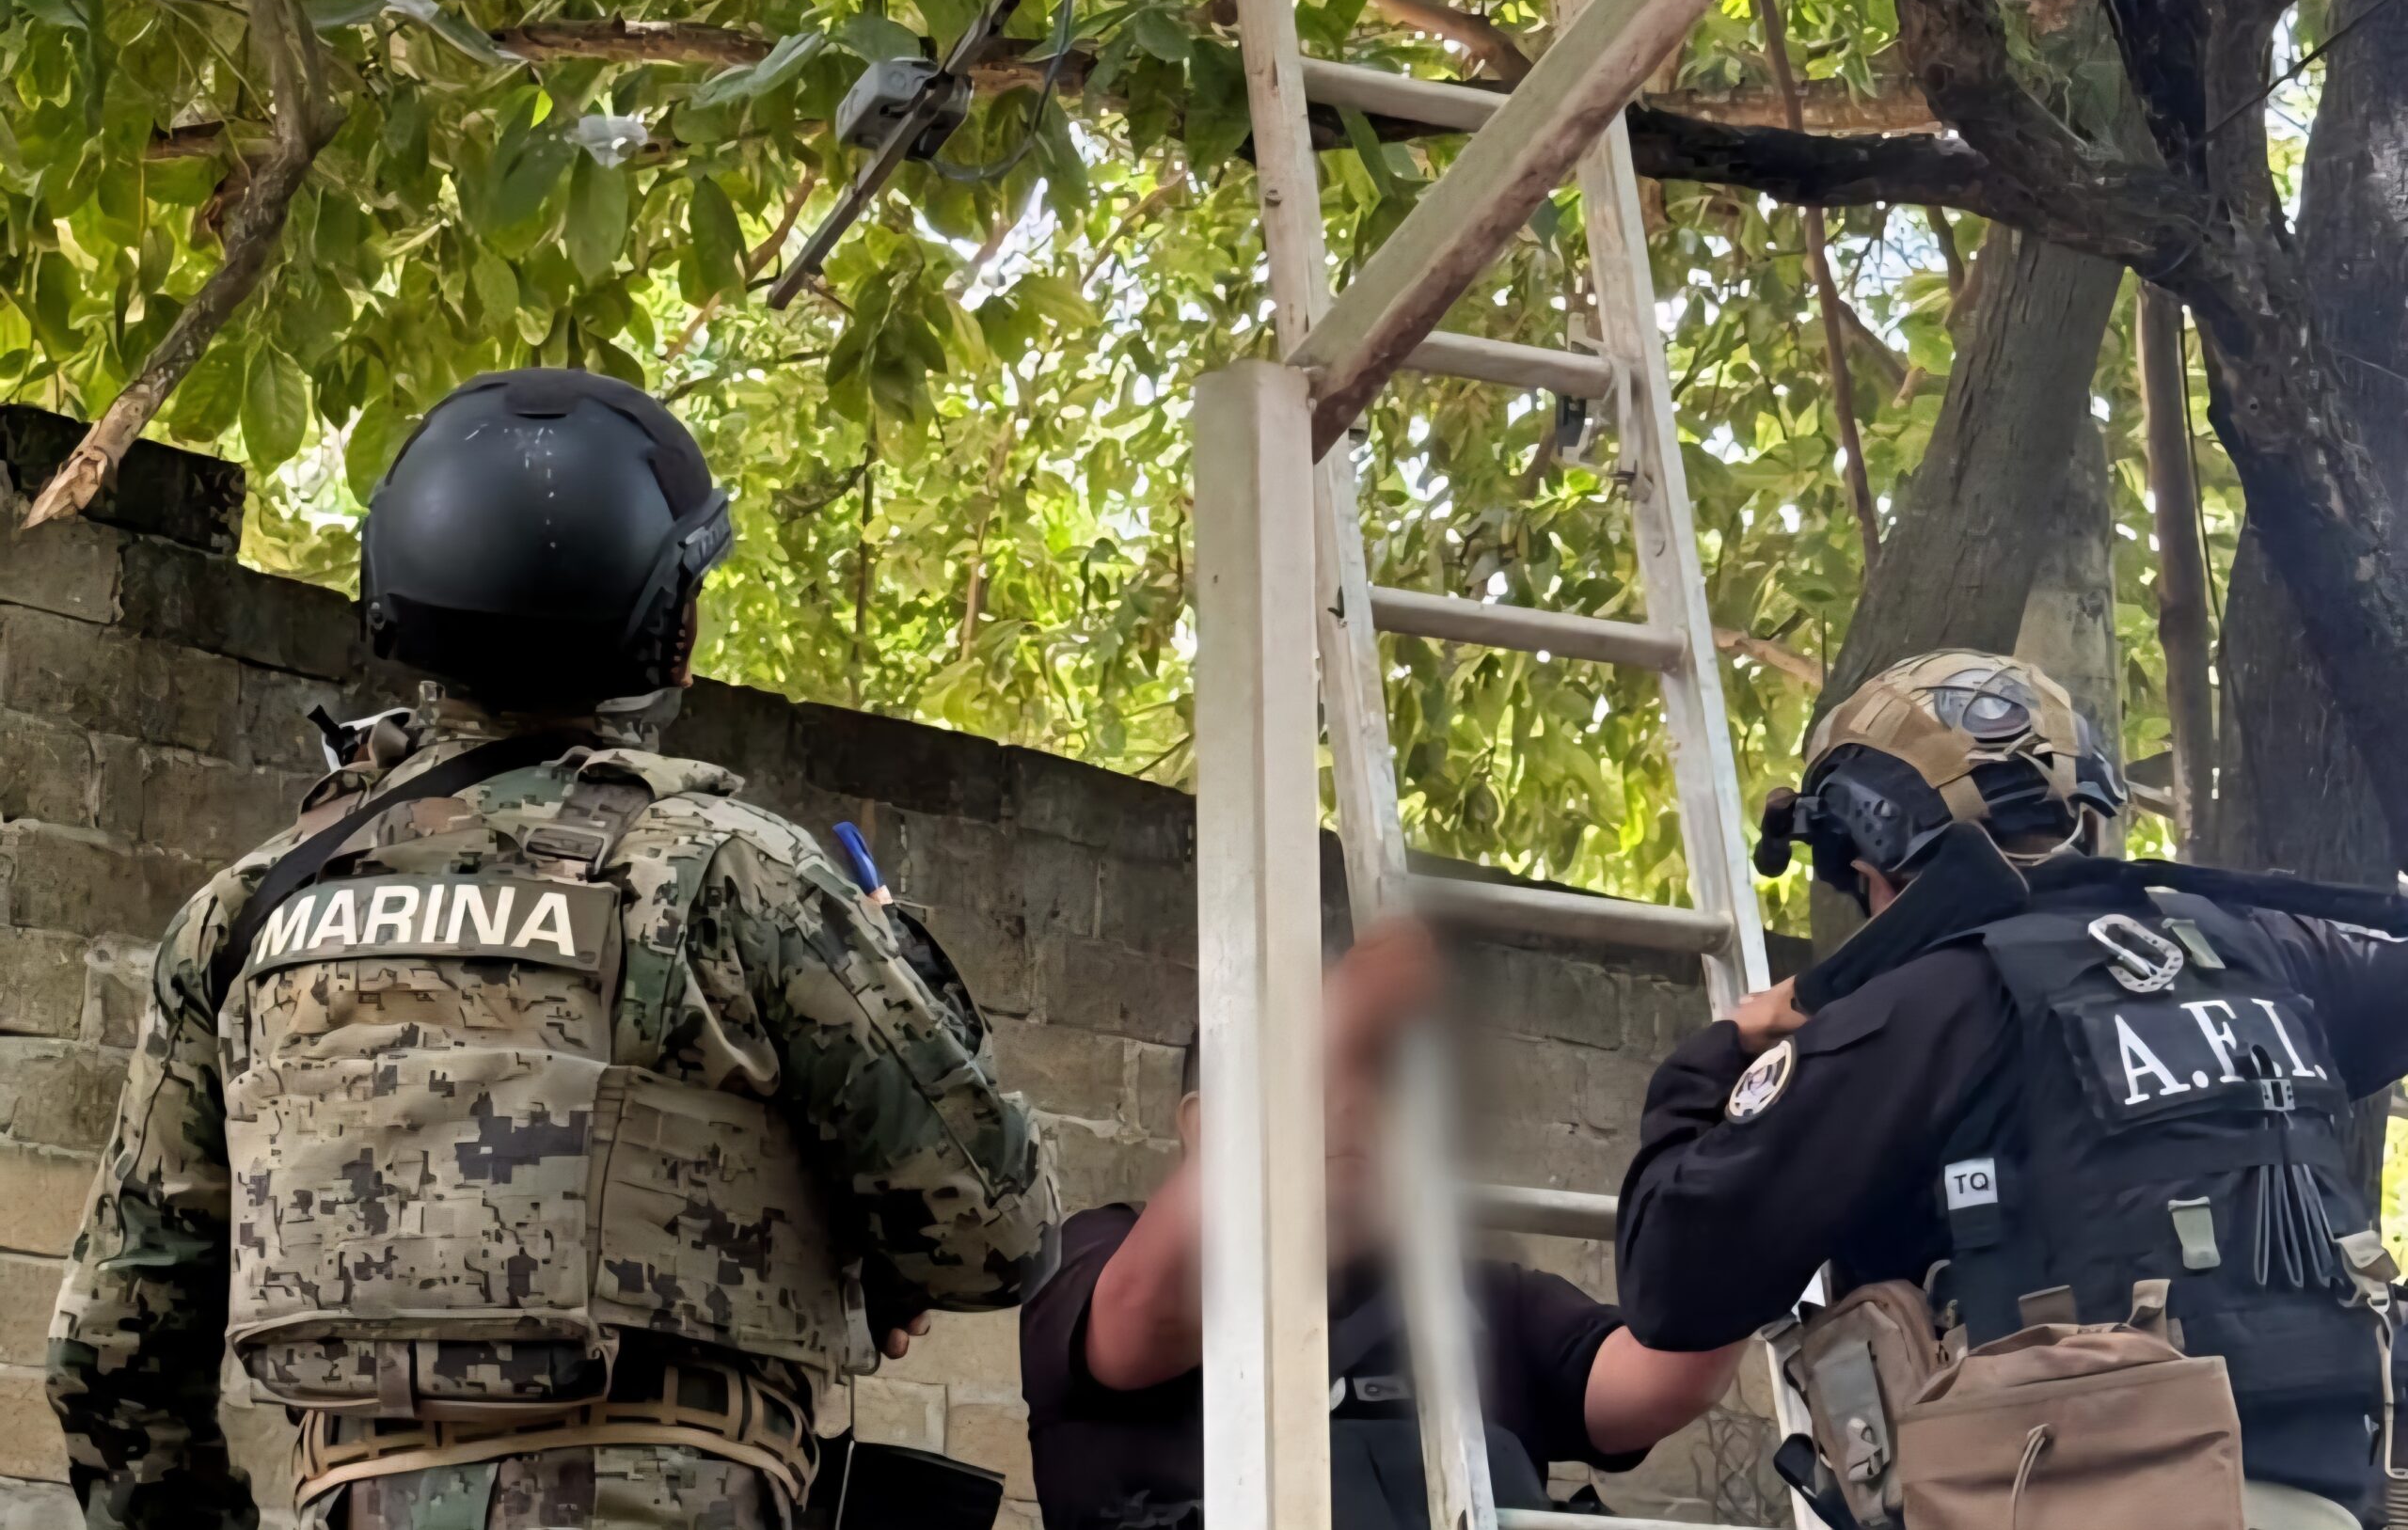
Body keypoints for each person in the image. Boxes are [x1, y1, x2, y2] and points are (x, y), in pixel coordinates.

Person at [46, 368, 1058, 1530]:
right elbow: (996, 1237)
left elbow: (114, 1353)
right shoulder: (732, 876)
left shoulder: (250, 913)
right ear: (671, 631)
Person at [1615, 648, 2408, 1530]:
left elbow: (1672, 1277)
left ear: (1873, 867)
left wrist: (1721, 1053)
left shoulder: (1922, 1012)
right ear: (2085, 816)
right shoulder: (2264, 955)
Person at [1021, 920, 1745, 1530]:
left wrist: (1756, 1144)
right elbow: (1142, 1314)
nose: (1350, 1102)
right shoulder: (1095, 1256)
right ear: (1205, 1126)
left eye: (1375, 1074)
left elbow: (1662, 1374)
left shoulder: (1481, 1297)